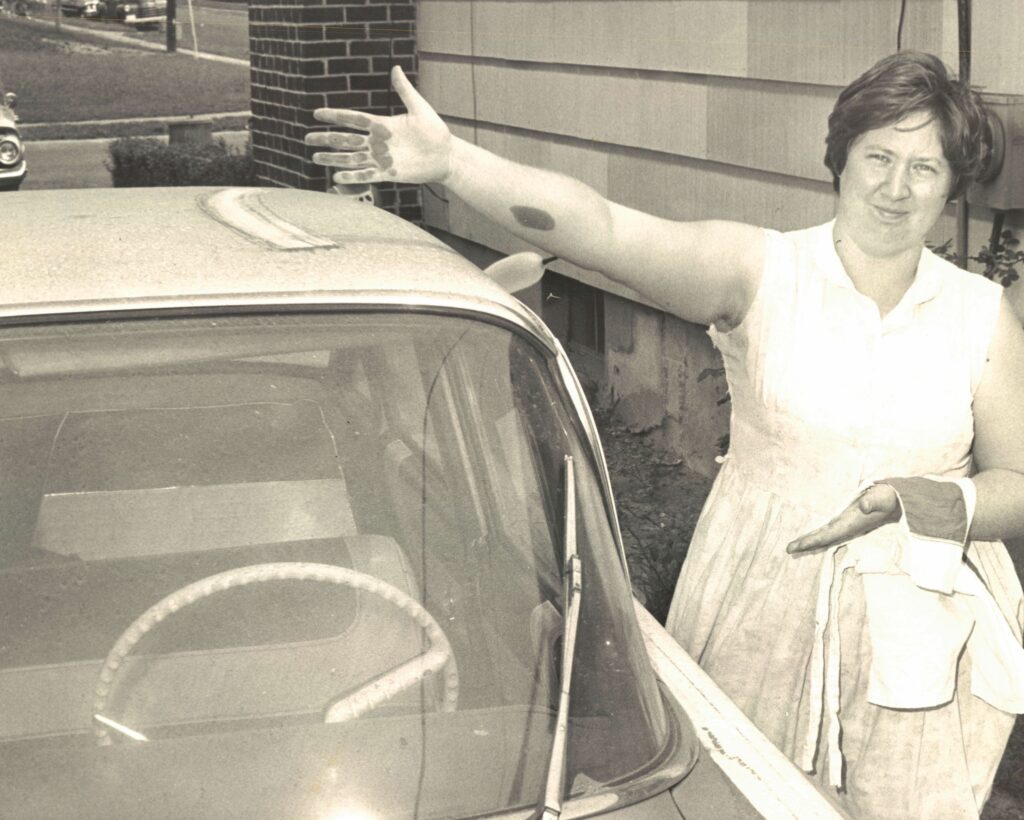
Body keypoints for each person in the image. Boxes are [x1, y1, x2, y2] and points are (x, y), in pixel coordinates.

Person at [306, 51, 1024, 818]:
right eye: (879, 156)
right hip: (761, 606)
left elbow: (1016, 487)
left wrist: (917, 500)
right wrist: (452, 163)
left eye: (925, 167)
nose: (896, 187)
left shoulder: (978, 313)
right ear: (839, 158)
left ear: (953, 186)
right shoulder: (764, 270)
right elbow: (603, 228)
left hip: (920, 636)